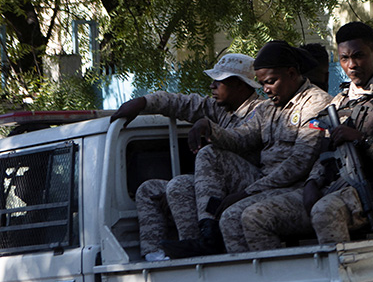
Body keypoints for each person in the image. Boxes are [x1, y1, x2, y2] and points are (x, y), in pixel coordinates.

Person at [237, 21, 373, 249]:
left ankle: (339, 279)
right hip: (333, 188)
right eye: (344, 58)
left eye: (359, 56)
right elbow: (325, 152)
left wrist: (363, 140)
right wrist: (312, 182)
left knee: (324, 211)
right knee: (253, 216)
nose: (352, 65)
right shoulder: (338, 102)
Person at [163, 41, 331, 256]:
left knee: (233, 216)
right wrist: (210, 128)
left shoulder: (315, 103)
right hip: (266, 181)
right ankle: (207, 237)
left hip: (298, 187)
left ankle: (263, 277)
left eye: (270, 82)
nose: (265, 90)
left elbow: (300, 163)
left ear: (291, 73)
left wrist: (247, 192)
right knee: (208, 155)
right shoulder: (269, 107)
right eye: (262, 84)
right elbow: (241, 138)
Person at [110, 53, 267, 262]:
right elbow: (181, 103)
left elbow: (241, 139)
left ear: (240, 85)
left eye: (218, 81)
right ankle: (160, 254)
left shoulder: (261, 110)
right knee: (161, 188)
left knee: (209, 153)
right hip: (221, 185)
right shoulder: (222, 110)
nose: (212, 86)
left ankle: (208, 233)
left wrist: (209, 128)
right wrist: (143, 102)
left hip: (252, 184)